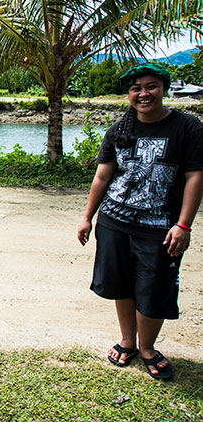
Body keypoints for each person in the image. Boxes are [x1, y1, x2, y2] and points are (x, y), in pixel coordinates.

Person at [77, 62, 203, 381]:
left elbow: (194, 177)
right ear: (129, 94)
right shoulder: (119, 130)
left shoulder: (187, 127)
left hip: (160, 228)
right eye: (136, 88)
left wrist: (184, 224)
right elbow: (103, 176)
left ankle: (147, 348)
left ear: (164, 89)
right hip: (115, 222)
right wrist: (87, 218)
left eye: (151, 86)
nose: (143, 93)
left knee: (154, 287)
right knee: (122, 283)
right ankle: (127, 341)